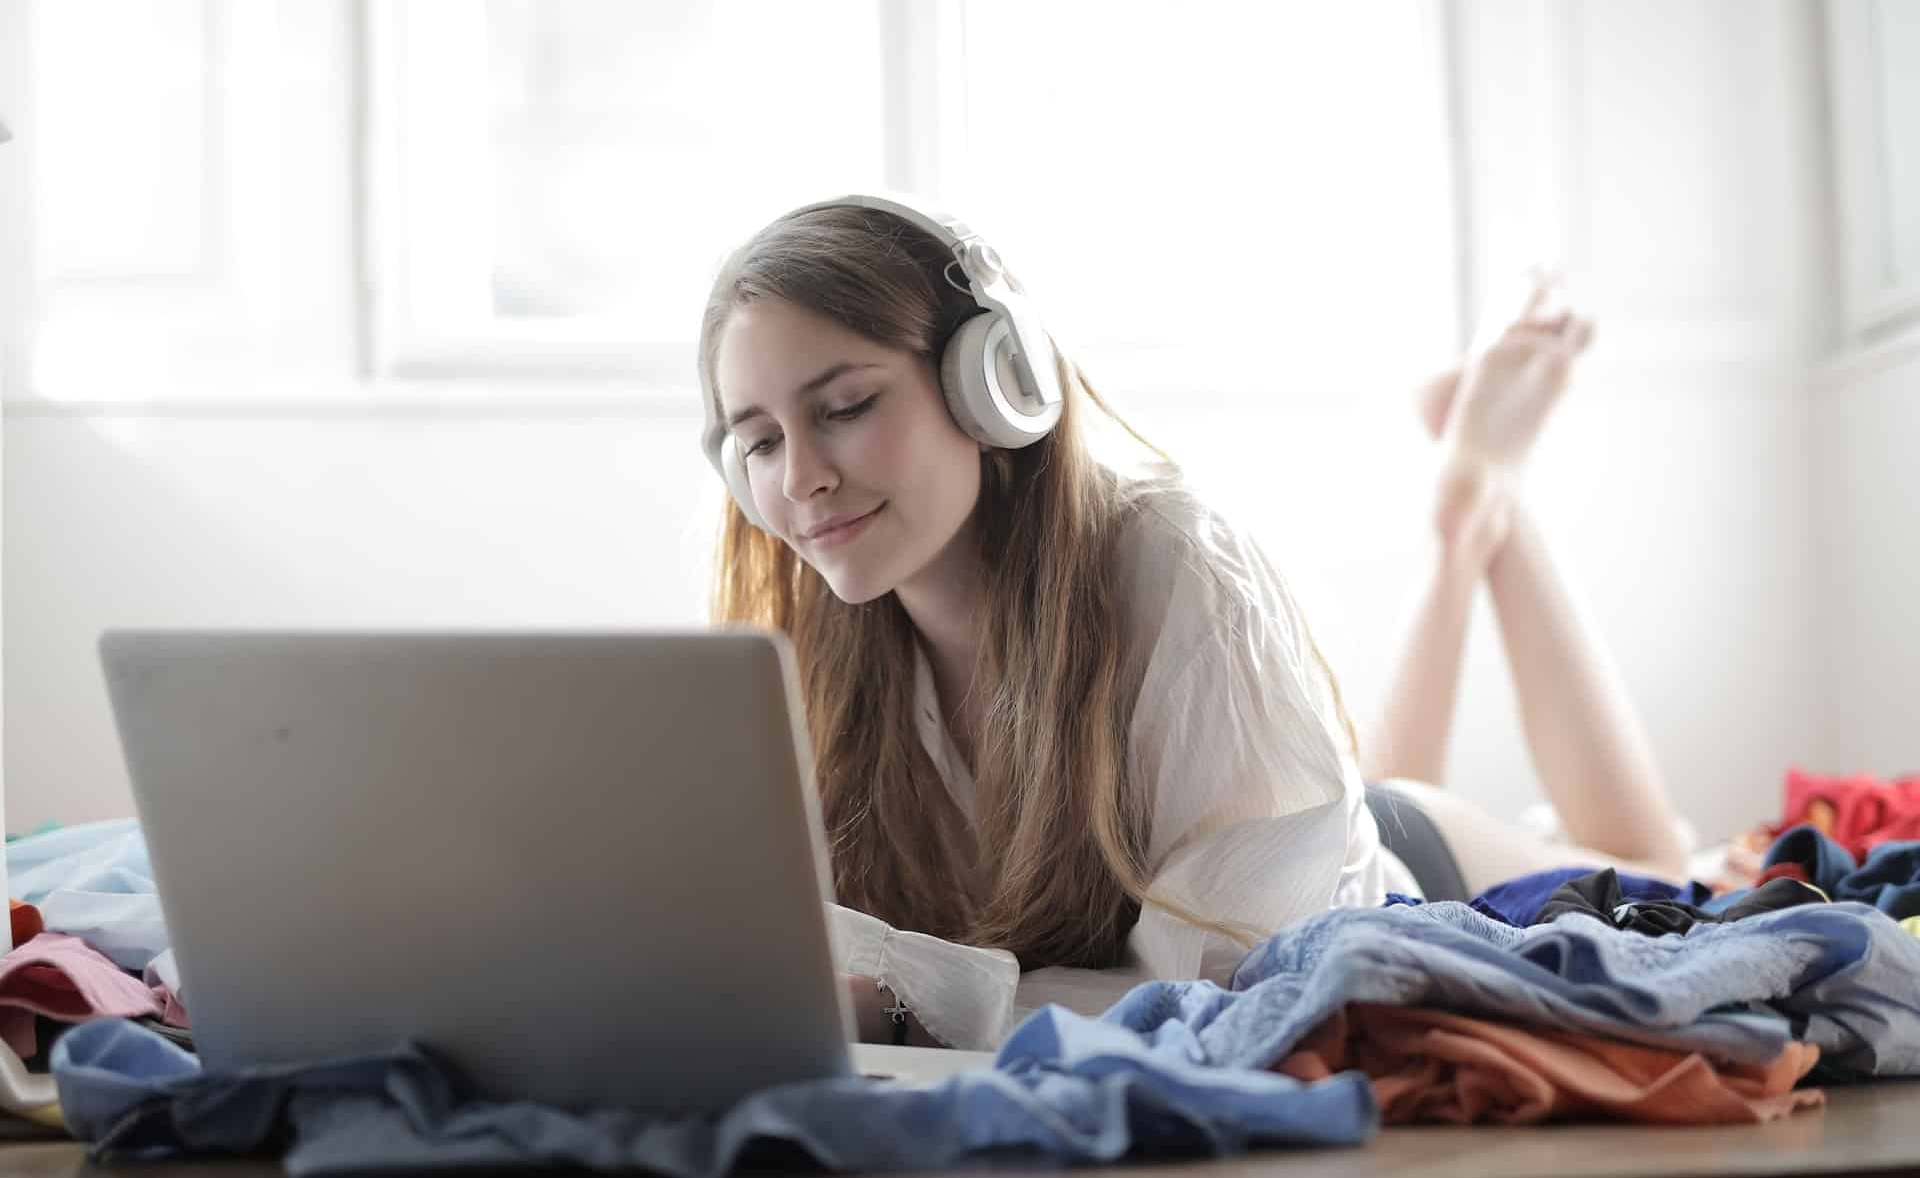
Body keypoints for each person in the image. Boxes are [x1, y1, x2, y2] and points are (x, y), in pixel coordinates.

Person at [694, 194, 1691, 1047]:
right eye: (761, 442)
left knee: (1667, 871)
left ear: (995, 382)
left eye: (845, 407)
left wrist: (911, 1013)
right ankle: (1469, 511)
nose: (803, 478)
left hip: (1375, 884)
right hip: (1290, 823)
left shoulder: (1177, 566)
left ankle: (1475, 503)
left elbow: (1238, 986)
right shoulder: (809, 640)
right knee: (1372, 774)